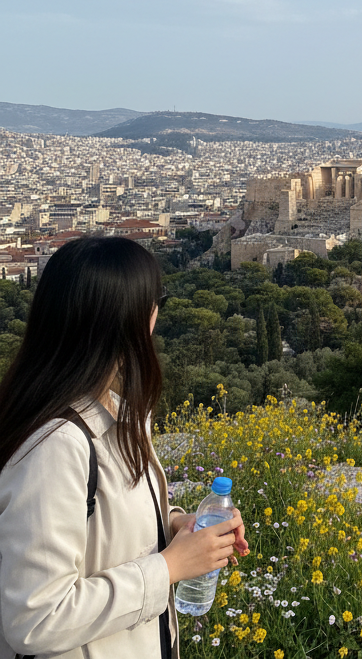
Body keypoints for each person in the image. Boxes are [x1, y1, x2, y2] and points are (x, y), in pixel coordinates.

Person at [0, 236, 248, 659]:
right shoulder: (55, 446)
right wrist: (170, 568)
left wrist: (174, 525)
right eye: (157, 304)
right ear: (132, 321)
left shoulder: (115, 412)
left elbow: (98, 522)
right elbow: (34, 618)